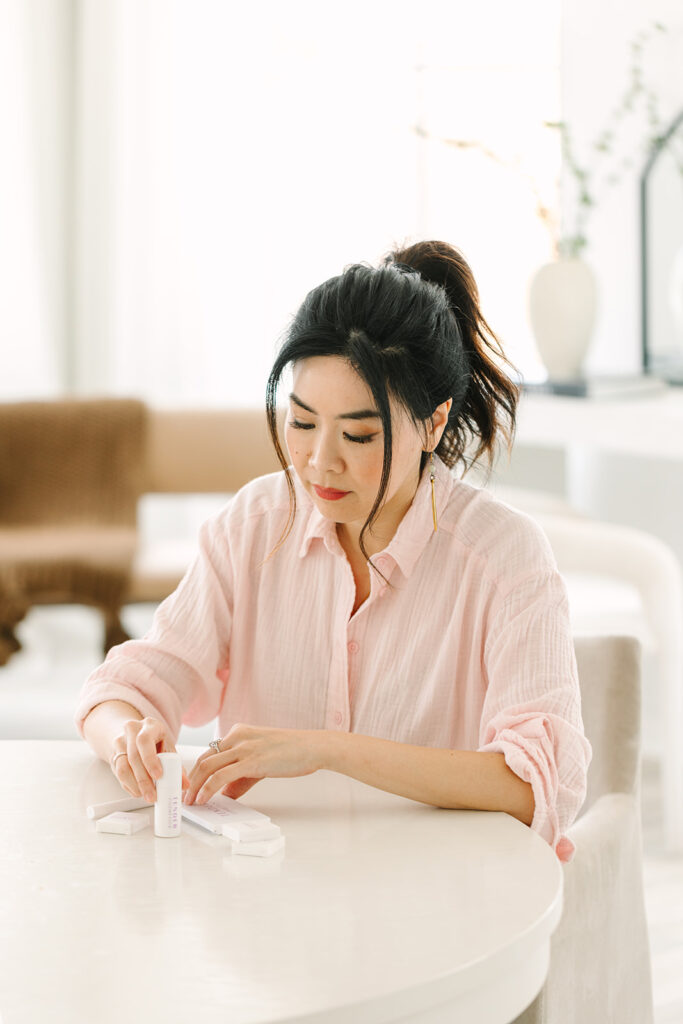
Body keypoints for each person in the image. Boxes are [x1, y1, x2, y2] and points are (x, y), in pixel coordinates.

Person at [75, 239, 591, 863]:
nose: (321, 461)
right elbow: (129, 684)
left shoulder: (503, 558)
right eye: (300, 422)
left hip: (438, 897)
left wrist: (326, 750)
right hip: (268, 895)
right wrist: (126, 734)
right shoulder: (255, 525)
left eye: (359, 433)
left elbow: (539, 787)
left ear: (434, 423)